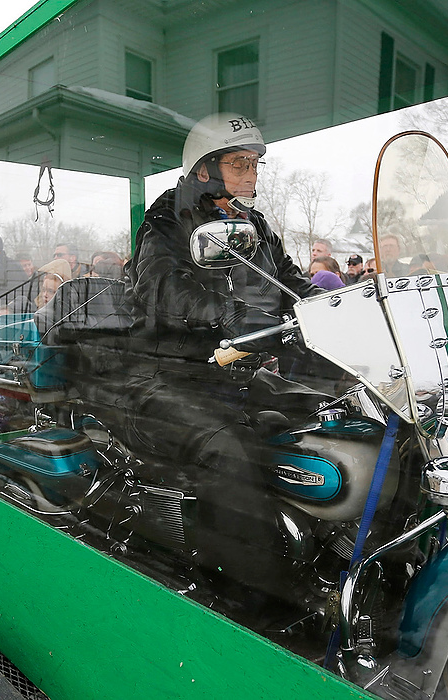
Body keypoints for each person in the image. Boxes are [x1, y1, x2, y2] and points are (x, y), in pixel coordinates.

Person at [121, 112, 328, 597]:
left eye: (255, 164)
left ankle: (331, 561)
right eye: (239, 164)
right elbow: (161, 287)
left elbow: (288, 280)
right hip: (166, 376)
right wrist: (230, 315)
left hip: (234, 374)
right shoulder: (169, 216)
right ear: (204, 168)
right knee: (226, 452)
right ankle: (247, 597)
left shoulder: (251, 221)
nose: (252, 175)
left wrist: (340, 306)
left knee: (328, 417)